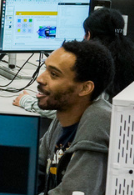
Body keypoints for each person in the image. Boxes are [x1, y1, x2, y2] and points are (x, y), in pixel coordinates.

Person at [13, 8, 134, 115]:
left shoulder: (95, 65)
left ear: (88, 35)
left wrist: (27, 101)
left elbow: (74, 110)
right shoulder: (131, 60)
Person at [34, 40, 113, 195]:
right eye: (45, 69)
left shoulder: (98, 122)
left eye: (54, 74)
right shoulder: (65, 114)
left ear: (85, 88)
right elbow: (34, 169)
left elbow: (73, 192)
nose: (41, 79)